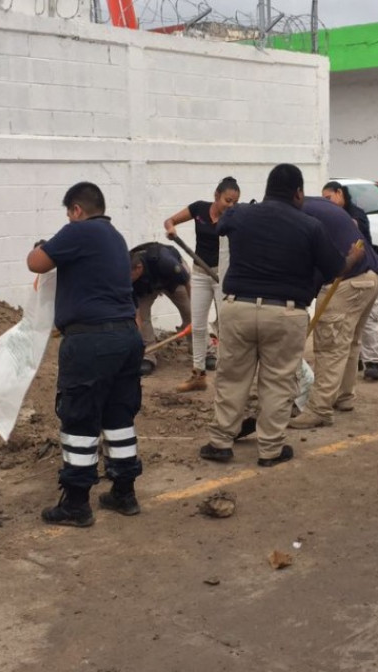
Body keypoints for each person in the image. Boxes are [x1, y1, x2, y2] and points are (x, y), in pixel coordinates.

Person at [197, 164, 355, 467]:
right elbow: (335, 269)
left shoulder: (240, 213)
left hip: (238, 308)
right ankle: (270, 449)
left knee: (232, 377)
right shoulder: (310, 226)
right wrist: (353, 258)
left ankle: (219, 443)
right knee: (278, 381)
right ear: (298, 192)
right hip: (285, 313)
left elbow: (220, 224)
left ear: (267, 190)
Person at [28, 182, 144, 526]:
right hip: (126, 336)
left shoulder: (78, 232)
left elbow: (36, 263)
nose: (68, 218)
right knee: (119, 417)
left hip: (91, 341)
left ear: (76, 209)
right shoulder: (115, 236)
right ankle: (124, 492)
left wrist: (42, 246)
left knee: (79, 418)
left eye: (68, 213)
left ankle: (76, 503)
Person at [289, 196, 378, 429]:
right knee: (349, 342)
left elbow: (311, 263)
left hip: (348, 281)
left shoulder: (301, 217)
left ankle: (319, 409)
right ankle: (344, 397)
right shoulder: (319, 206)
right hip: (371, 278)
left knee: (330, 346)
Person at [164, 177, 241, 392]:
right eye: (228, 200)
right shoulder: (199, 209)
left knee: (226, 326)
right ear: (216, 196)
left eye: (235, 202)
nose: (231, 206)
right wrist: (171, 230)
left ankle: (228, 378)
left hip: (223, 276)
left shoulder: (234, 218)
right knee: (198, 326)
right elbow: (169, 221)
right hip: (199, 273)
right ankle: (198, 375)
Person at [324, 181, 378, 381]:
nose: (327, 203)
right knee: (347, 323)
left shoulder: (355, 214)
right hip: (346, 276)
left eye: (328, 198)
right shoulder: (332, 216)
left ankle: (373, 361)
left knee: (369, 320)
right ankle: (355, 360)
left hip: (367, 272)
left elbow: (355, 227)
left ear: (339, 193)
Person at [130, 242, 192, 377]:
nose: (129, 280)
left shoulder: (166, 262)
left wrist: (195, 307)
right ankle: (148, 356)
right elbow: (137, 314)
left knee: (190, 312)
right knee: (143, 316)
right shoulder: (130, 277)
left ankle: (204, 350)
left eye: (131, 276)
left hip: (173, 281)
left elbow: (187, 282)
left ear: (138, 268)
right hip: (146, 288)